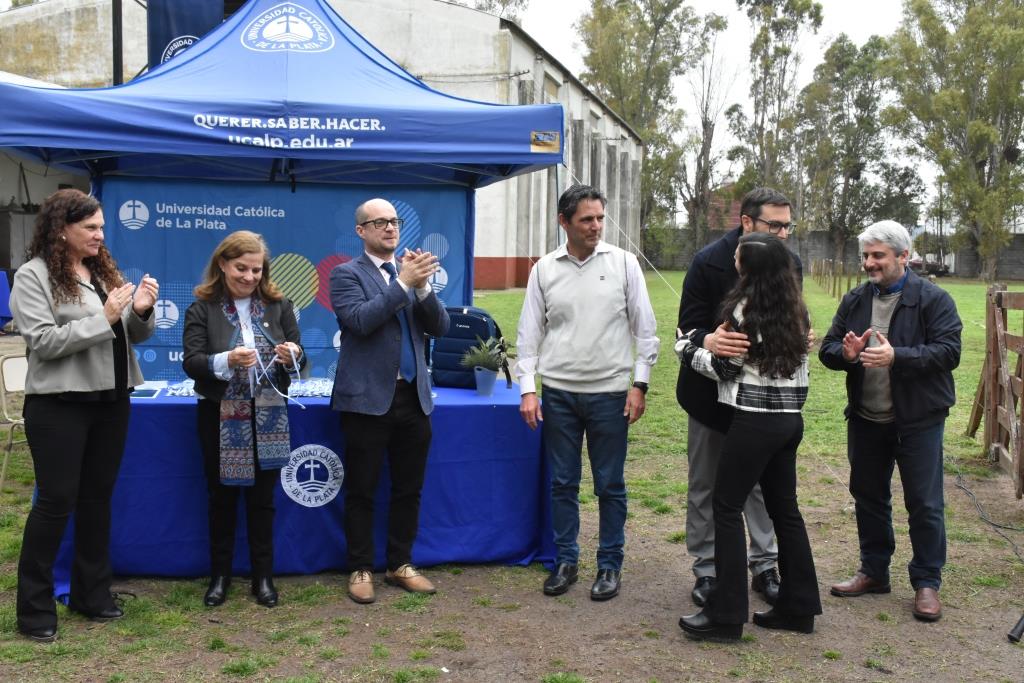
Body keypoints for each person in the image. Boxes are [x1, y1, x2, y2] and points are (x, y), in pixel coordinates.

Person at [11, 189, 158, 642]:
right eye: (90, 227)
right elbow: (44, 341)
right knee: (55, 503)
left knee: (97, 502)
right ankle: (34, 610)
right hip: (59, 405)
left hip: (111, 400)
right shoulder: (32, 276)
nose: (100, 235)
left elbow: (129, 334)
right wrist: (108, 316)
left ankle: (92, 595)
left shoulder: (98, 270)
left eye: (101, 227)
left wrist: (140, 312)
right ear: (61, 229)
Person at [516, 184, 659, 601]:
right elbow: (529, 334)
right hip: (558, 393)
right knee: (562, 482)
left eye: (600, 218)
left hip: (611, 395)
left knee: (609, 484)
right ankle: (565, 561)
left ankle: (610, 564)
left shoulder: (624, 263)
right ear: (564, 222)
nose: (596, 226)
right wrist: (529, 390)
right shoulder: (544, 268)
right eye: (587, 219)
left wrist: (640, 385)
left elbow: (645, 331)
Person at [676, 232, 821, 641]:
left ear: (747, 267)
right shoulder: (798, 310)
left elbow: (724, 369)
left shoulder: (742, 309)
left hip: (754, 422)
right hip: (789, 423)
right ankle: (798, 607)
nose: (733, 260)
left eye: (738, 257)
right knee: (785, 511)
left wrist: (685, 346)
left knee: (725, 508)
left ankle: (725, 615)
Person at [820, 220, 961, 622]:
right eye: (866, 256)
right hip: (866, 418)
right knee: (868, 496)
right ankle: (874, 571)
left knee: (925, 502)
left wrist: (898, 356)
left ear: (903, 256)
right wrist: (845, 355)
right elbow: (829, 348)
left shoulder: (934, 299)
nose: (869, 263)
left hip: (918, 420)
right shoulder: (856, 300)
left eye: (878, 255)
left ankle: (927, 582)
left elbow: (949, 352)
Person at [330, 198, 450, 604]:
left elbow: (441, 326)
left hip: (412, 398)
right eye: (378, 222)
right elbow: (361, 321)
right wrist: (403, 284)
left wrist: (423, 286)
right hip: (366, 399)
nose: (389, 228)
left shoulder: (411, 274)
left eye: (394, 221)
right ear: (361, 231)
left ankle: (400, 564)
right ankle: (360, 567)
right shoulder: (345, 274)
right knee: (362, 489)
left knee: (408, 488)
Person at [182, 230, 304, 609]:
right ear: (222, 264)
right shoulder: (201, 307)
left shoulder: (278, 305)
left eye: (256, 269)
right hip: (220, 414)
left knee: (263, 501)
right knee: (221, 498)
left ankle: (262, 577)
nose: (250, 277)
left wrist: (292, 355)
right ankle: (220, 577)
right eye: (241, 268)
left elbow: (303, 357)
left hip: (269, 414)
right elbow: (192, 363)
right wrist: (227, 360)